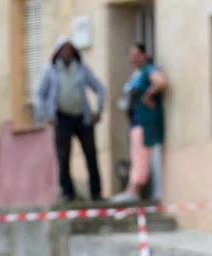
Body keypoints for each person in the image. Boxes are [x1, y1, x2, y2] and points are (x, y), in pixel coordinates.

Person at [34, 37, 106, 204]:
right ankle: (67, 192)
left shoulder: (81, 68)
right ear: (58, 52)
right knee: (63, 156)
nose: (67, 53)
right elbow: (39, 94)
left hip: (82, 117)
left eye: (69, 49)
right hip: (62, 117)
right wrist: (45, 115)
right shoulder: (50, 70)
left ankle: (96, 192)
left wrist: (99, 110)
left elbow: (99, 87)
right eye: (63, 49)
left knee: (91, 154)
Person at [113, 43, 167, 203]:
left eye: (137, 55)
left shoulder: (148, 70)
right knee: (136, 154)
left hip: (145, 120)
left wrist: (148, 96)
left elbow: (161, 82)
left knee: (141, 155)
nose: (133, 59)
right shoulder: (136, 74)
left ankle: (135, 189)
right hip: (135, 120)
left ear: (144, 55)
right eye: (131, 55)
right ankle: (131, 188)